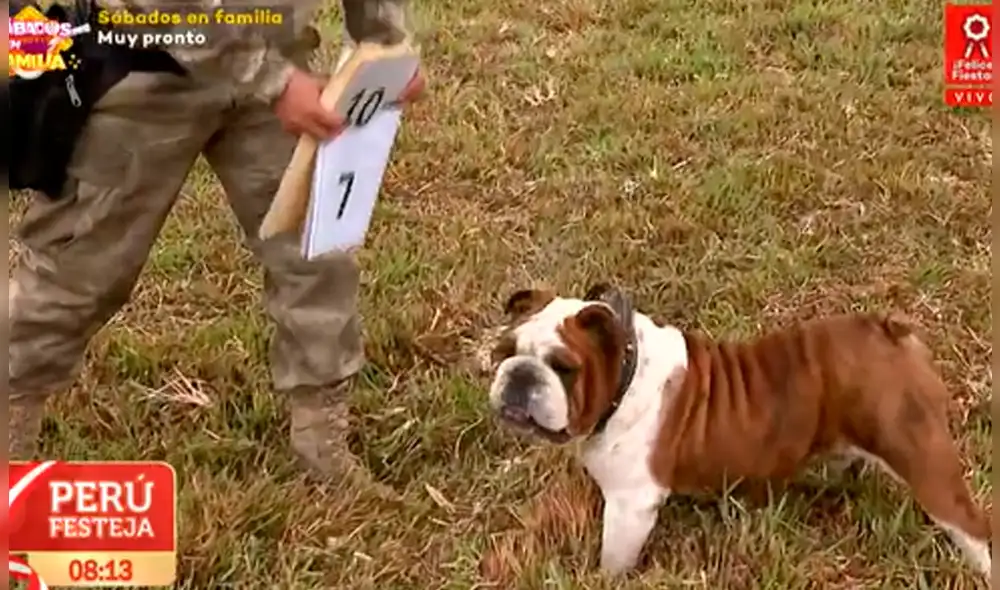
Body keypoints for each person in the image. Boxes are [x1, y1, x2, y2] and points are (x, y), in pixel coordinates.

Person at [8, 0, 424, 498]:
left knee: (317, 253)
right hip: (147, 62)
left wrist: (385, 42)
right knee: (73, 278)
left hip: (276, 60)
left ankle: (323, 448)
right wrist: (273, 80)